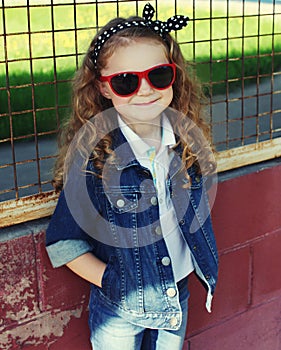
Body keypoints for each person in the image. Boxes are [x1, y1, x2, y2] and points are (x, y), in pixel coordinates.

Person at [45, 3, 218, 349]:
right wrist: (113, 281)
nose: (145, 90)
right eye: (125, 81)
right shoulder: (94, 159)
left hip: (176, 295)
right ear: (103, 88)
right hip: (120, 312)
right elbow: (62, 242)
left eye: (158, 75)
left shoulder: (185, 144)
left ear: (174, 75)